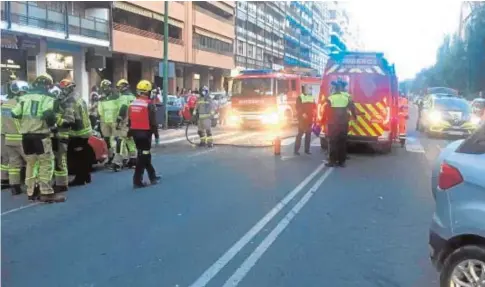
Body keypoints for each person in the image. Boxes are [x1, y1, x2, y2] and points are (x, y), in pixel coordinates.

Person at [12, 74, 65, 202]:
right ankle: (46, 193)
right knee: (46, 163)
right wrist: (53, 127)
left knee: (31, 163)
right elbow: (48, 113)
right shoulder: (48, 97)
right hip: (41, 136)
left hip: (26, 137)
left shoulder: (23, 98)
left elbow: (15, 113)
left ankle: (31, 191)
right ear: (48, 85)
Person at [127, 80, 161, 188]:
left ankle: (152, 176)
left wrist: (129, 132)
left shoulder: (132, 103)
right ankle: (137, 181)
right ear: (148, 92)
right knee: (143, 157)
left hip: (135, 134)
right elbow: (153, 122)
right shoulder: (149, 105)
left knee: (144, 155)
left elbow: (129, 120)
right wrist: (156, 136)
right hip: (145, 134)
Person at [1, 80, 29, 195]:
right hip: (21, 138)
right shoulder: (21, 103)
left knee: (13, 164)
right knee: (32, 162)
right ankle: (33, 186)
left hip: (8, 138)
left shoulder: (5, 104)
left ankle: (15, 187)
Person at [324, 79, 359, 168]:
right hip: (343, 124)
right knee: (342, 143)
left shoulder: (330, 98)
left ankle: (332, 161)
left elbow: (326, 111)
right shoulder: (346, 98)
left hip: (333, 124)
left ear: (335, 89)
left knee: (333, 143)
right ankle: (342, 162)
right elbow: (352, 108)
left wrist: (325, 120)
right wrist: (355, 118)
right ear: (341, 90)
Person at [65, 81, 93, 186]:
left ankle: (80, 179)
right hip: (85, 130)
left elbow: (72, 119)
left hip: (77, 133)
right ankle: (86, 176)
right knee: (83, 154)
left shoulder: (70, 101)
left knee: (77, 156)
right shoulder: (79, 98)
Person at [52, 79, 76, 193]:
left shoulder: (70, 101)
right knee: (57, 159)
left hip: (62, 134)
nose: (62, 90)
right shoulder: (59, 100)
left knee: (61, 159)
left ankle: (62, 184)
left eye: (64, 88)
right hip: (55, 133)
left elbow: (69, 121)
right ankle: (58, 181)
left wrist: (56, 120)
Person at [97, 79, 120, 169]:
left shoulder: (116, 96)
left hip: (114, 120)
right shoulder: (101, 98)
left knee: (114, 140)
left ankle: (117, 159)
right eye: (104, 88)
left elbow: (119, 108)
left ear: (110, 87)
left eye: (107, 87)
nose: (106, 89)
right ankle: (110, 157)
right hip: (105, 121)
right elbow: (100, 110)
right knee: (107, 140)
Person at [114, 79, 137, 169]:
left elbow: (123, 109)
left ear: (124, 87)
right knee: (130, 140)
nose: (118, 89)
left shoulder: (123, 97)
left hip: (125, 121)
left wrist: (118, 121)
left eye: (119, 87)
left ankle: (117, 163)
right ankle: (133, 160)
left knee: (120, 140)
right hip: (133, 122)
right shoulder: (133, 97)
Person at [294, 85, 316, 155]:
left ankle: (307, 150)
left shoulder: (311, 97)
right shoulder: (300, 97)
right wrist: (303, 114)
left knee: (308, 134)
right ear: (303, 90)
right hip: (302, 120)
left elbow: (314, 107)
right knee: (300, 134)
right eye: (308, 89)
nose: (309, 90)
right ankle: (296, 150)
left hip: (309, 119)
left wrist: (314, 114)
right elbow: (298, 107)